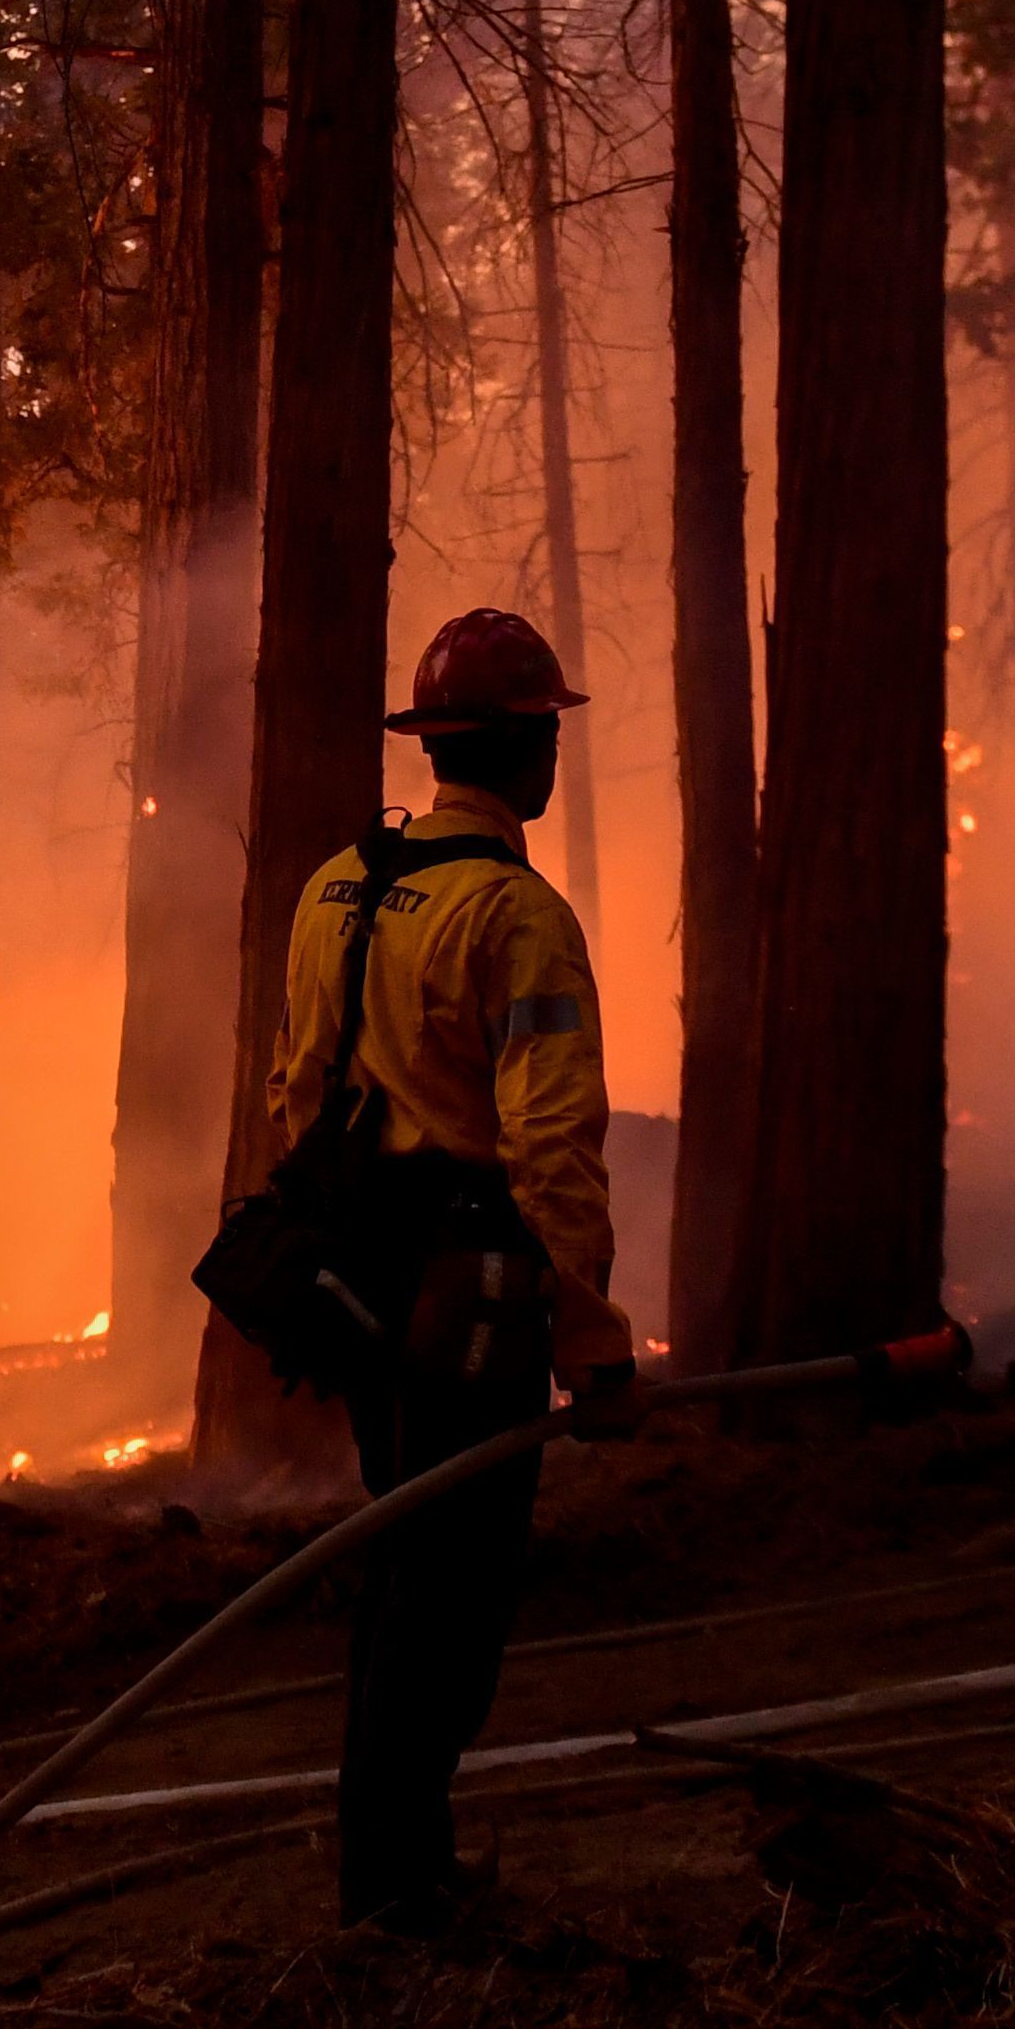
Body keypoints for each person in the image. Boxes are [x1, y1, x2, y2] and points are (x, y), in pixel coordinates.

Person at [266, 604, 638, 1930]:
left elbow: (291, 1097)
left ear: (433, 746)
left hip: (362, 1290)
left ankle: (394, 1856)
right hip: (470, 1298)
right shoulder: (514, 917)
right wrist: (590, 1336)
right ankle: (395, 1884)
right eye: (546, 733)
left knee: (401, 1554)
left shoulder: (334, 886)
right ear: (530, 748)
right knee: (454, 1586)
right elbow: (549, 1151)